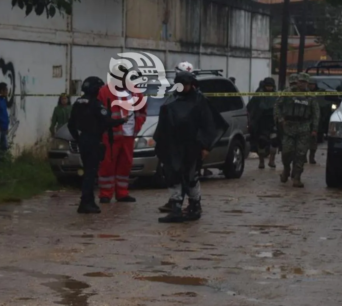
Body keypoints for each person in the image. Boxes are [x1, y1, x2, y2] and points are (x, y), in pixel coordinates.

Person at [154, 70, 229, 223]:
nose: (184, 87)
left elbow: (208, 124)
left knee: (191, 177)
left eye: (186, 84)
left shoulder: (199, 101)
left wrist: (205, 146)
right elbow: (164, 124)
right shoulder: (172, 99)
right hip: (174, 146)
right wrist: (162, 144)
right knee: (173, 175)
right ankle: (176, 208)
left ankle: (195, 206)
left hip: (192, 146)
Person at [68, 77, 127, 214]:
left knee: (88, 171)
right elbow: (106, 121)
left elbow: (71, 124)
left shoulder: (77, 103)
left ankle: (89, 201)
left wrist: (78, 138)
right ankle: (85, 203)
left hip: (83, 140)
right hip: (93, 140)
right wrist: (121, 121)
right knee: (91, 172)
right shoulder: (95, 104)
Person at [97, 76, 147, 204]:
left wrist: (137, 125)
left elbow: (142, 110)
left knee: (125, 164)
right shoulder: (104, 91)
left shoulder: (135, 91)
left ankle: (122, 193)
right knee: (107, 165)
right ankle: (105, 194)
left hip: (129, 135)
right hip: (111, 136)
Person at [275, 73, 319, 187]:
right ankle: (286, 169)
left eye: (304, 82)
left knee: (301, 153)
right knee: (286, 152)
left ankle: (297, 177)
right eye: (300, 81)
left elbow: (316, 113)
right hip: (289, 126)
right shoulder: (287, 93)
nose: (302, 84)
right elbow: (277, 106)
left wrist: (314, 129)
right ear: (297, 81)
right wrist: (280, 119)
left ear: (307, 83)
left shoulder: (311, 96)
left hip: (304, 126)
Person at [248, 77, 279, 169]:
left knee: (274, 141)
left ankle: (272, 160)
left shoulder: (277, 96)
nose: (269, 88)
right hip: (261, 122)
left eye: (271, 86)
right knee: (261, 142)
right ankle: (261, 161)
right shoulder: (258, 96)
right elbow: (251, 107)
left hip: (273, 122)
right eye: (267, 86)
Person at [307, 80, 322, 164]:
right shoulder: (304, 93)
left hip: (314, 120)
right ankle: (302, 156)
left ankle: (311, 156)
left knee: (313, 140)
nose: (311, 86)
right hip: (304, 120)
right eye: (310, 84)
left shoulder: (319, 93)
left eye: (313, 84)